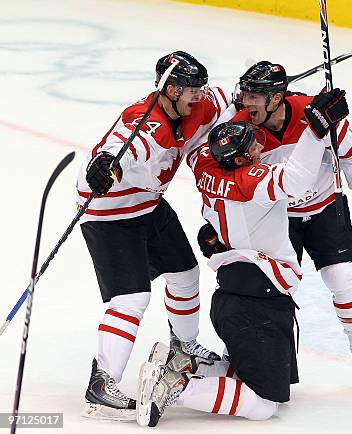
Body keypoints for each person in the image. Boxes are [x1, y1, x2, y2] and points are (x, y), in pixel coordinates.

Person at [136, 90, 349, 426]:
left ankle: (188, 364)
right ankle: (178, 385)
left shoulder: (206, 167)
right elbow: (295, 179)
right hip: (257, 303)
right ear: (239, 160)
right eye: (252, 147)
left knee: (249, 372)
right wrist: (316, 129)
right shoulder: (252, 183)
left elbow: (200, 145)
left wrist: (238, 106)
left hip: (234, 296)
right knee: (265, 405)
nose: (260, 148)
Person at [77, 51, 228, 420]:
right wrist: (105, 167)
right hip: (109, 211)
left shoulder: (200, 107)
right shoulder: (144, 125)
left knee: (185, 274)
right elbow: (119, 149)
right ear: (170, 89)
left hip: (148, 203)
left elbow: (232, 97)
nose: (199, 95)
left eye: (200, 88)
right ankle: (102, 383)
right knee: (131, 297)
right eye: (192, 89)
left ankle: (185, 348)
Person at [226, 61, 352, 384]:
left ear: (276, 98)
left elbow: (351, 152)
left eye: (255, 96)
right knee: (273, 290)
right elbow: (225, 176)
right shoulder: (241, 127)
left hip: (325, 207)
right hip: (276, 216)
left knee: (345, 281)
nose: (246, 102)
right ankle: (264, 356)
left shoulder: (314, 113)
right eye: (246, 94)